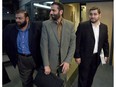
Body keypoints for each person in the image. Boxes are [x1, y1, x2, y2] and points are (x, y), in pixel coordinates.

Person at [3, 9, 43, 87]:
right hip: (22, 59)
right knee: (26, 82)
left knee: (43, 80)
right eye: (16, 18)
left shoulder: (38, 26)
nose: (17, 20)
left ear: (27, 18)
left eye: (20, 18)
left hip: (37, 58)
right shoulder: (10, 28)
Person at [40, 2, 76, 86]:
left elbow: (73, 44)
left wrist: (68, 61)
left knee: (62, 82)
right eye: (50, 10)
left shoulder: (70, 25)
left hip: (64, 62)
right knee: (51, 84)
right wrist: (46, 65)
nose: (51, 12)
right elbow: (43, 46)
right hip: (50, 63)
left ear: (61, 12)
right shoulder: (45, 24)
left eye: (53, 10)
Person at [74, 7, 109, 87]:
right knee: (83, 78)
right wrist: (77, 56)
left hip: (96, 57)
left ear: (100, 15)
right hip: (84, 57)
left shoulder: (104, 27)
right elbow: (77, 41)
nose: (92, 16)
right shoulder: (83, 26)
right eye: (91, 14)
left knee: (91, 76)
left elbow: (105, 42)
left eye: (95, 14)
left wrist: (106, 55)